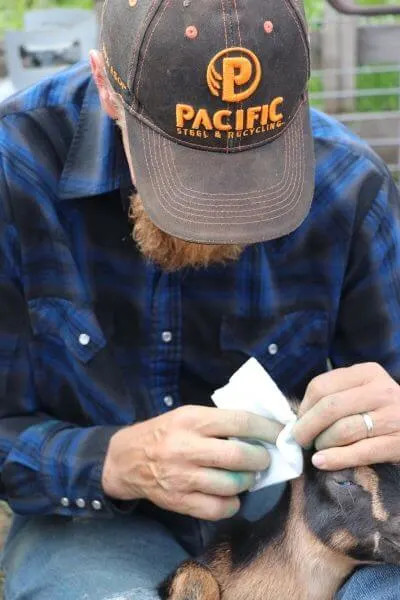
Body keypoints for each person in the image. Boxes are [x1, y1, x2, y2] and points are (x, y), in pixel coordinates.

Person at [0, 0, 400, 598]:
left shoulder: (349, 185)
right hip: (95, 518)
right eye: (188, 173)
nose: (223, 212)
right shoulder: (15, 169)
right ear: (108, 86)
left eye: (254, 172)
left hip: (295, 512)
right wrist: (112, 459)